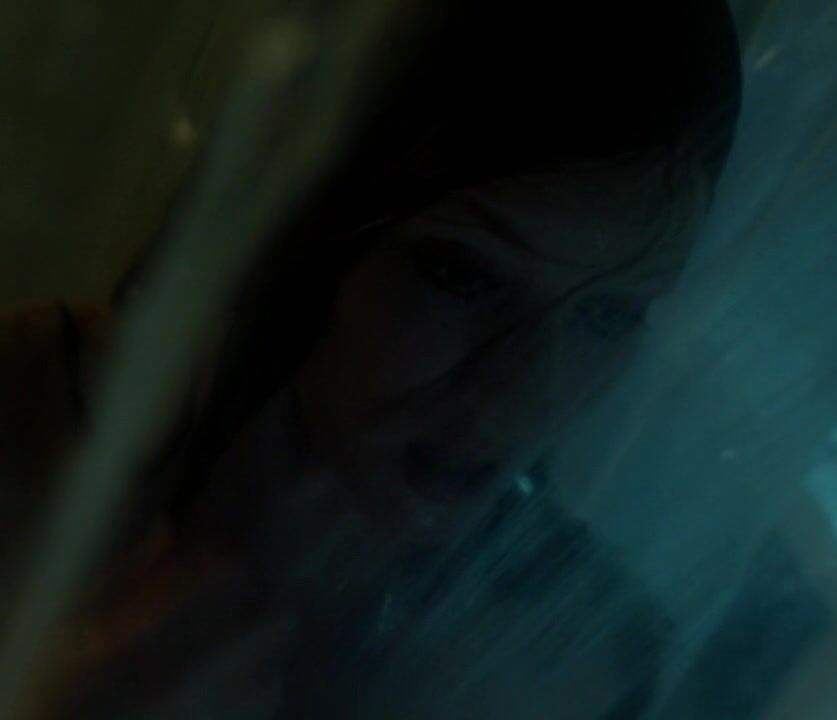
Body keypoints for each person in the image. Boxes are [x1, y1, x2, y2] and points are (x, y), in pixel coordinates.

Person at [0, 0, 742, 717]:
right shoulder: (26, 420)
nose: (514, 399)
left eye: (607, 315)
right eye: (461, 276)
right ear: (308, 222)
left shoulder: (568, 661)